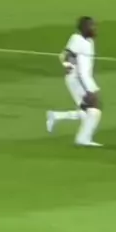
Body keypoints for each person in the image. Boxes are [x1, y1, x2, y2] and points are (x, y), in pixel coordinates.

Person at [46, 17, 103, 147]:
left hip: (84, 78)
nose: (95, 28)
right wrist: (68, 66)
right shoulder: (77, 40)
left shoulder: (89, 41)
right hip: (78, 79)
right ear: (84, 28)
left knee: (87, 112)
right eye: (92, 26)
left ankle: (55, 116)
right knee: (94, 109)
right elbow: (65, 56)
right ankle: (83, 139)